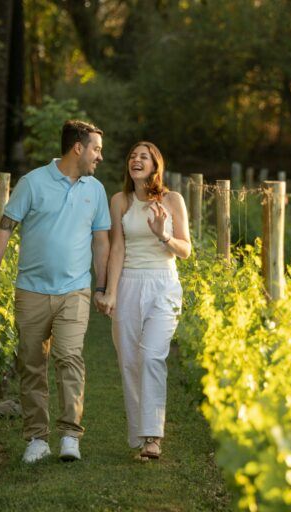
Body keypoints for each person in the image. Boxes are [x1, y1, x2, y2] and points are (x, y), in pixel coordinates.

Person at [0, 120, 111, 463]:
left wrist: (101, 287)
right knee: (32, 364)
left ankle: (70, 435)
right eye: (96, 148)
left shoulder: (95, 189)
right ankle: (37, 438)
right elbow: (5, 226)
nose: (100, 156)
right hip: (31, 291)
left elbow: (101, 241)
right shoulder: (33, 183)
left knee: (69, 357)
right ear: (78, 148)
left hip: (75, 291)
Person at [97, 141, 191, 460]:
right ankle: (140, 434)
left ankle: (153, 436)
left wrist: (163, 234)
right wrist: (110, 291)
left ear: (155, 165)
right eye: (133, 156)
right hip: (128, 284)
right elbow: (117, 249)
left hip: (163, 283)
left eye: (144, 157)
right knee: (129, 362)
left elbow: (186, 250)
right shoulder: (120, 200)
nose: (136, 160)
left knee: (151, 357)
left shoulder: (172, 200)